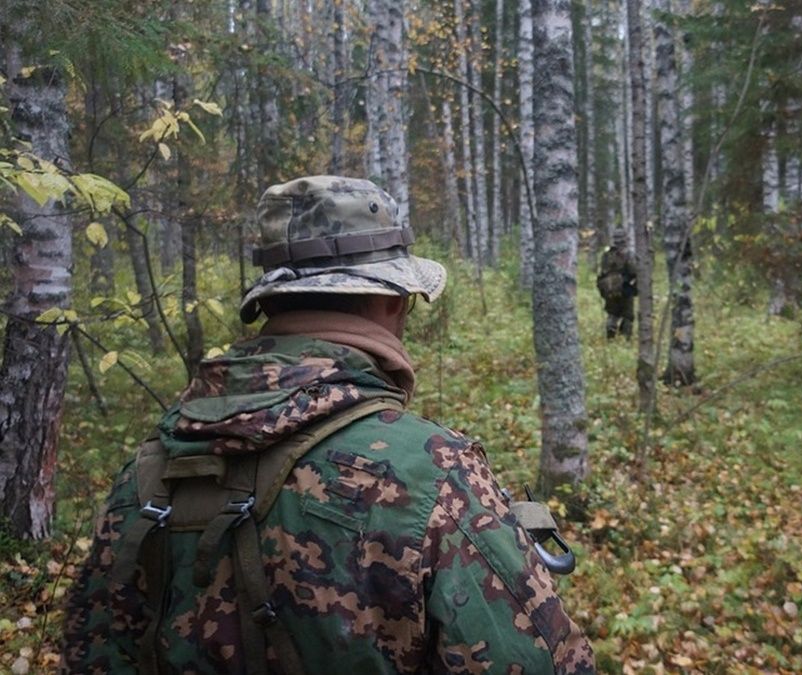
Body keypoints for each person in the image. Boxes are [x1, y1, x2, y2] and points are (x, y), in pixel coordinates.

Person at [61, 176, 594, 674]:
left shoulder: (151, 467)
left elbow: (90, 650)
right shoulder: (432, 473)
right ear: (391, 301)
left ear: (270, 303)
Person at [596, 229, 636, 340]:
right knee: (628, 315)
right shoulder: (628, 253)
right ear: (625, 238)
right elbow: (633, 270)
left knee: (612, 314)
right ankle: (626, 338)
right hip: (625, 288)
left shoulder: (607, 253)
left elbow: (602, 271)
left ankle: (610, 337)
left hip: (608, 288)